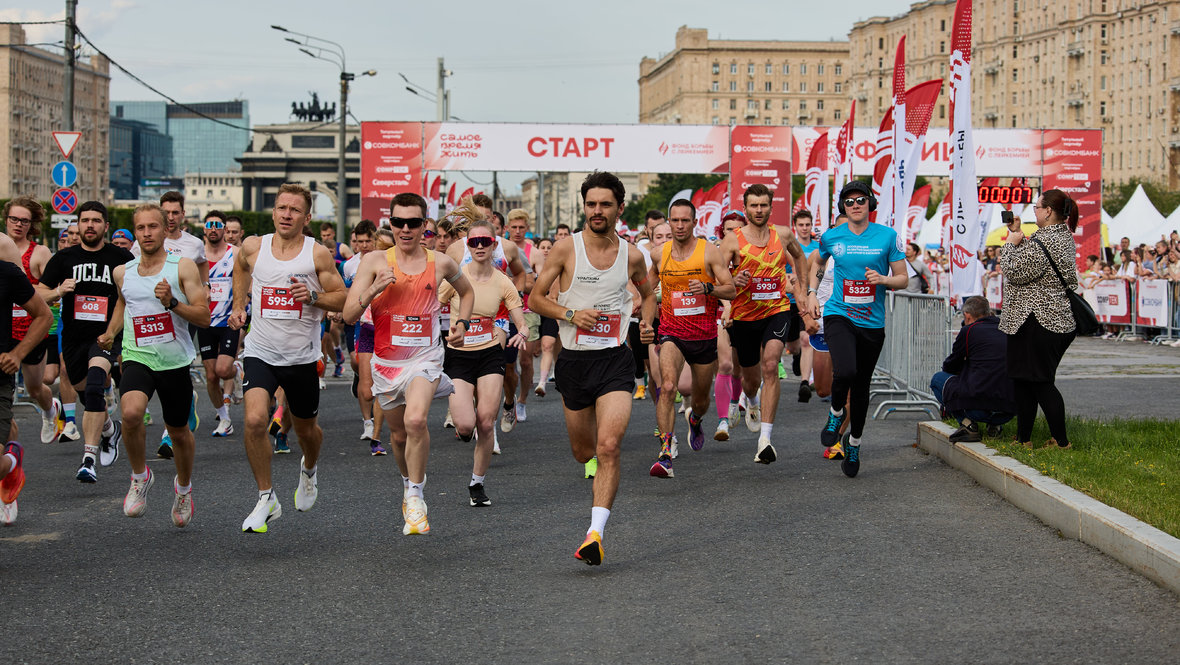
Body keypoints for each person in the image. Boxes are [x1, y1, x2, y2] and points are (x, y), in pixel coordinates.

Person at [528, 171, 655, 566]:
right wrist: (570, 312)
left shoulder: (633, 254)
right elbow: (534, 298)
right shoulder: (567, 249)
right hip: (575, 363)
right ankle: (595, 465)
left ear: (619, 207)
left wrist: (647, 321)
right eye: (591, 204)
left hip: (615, 360)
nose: (596, 211)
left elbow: (649, 294)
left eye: (604, 204)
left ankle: (594, 534)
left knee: (610, 446)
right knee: (584, 451)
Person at [343, 192, 473, 535]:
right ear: (390, 223)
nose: (405, 229)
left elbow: (467, 292)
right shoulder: (373, 262)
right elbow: (348, 314)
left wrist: (462, 324)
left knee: (416, 420)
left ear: (424, 225)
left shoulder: (440, 262)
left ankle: (416, 494)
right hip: (387, 363)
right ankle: (407, 482)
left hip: (425, 358)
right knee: (398, 435)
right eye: (398, 222)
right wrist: (372, 290)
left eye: (413, 223)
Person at [229, 184, 347, 533]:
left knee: (307, 431)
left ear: (306, 217)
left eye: (294, 210)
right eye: (281, 208)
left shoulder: (317, 255)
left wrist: (313, 296)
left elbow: (342, 298)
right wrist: (239, 304)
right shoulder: (254, 246)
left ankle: (308, 469)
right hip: (260, 351)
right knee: (254, 421)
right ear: (274, 211)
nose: (286, 214)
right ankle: (266, 497)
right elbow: (240, 267)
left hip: (300, 358)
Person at [99, 204, 209, 527]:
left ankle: (184, 488)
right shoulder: (124, 271)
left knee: (178, 432)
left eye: (153, 227)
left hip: (174, 360)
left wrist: (173, 303)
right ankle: (139, 476)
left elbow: (203, 315)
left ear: (165, 230)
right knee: (131, 413)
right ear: (135, 232)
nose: (147, 233)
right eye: (141, 228)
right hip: (137, 355)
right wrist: (110, 332)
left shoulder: (182, 267)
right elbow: (124, 301)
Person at [807, 181, 907, 478]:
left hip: (872, 322)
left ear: (870, 203)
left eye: (860, 200)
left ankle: (854, 442)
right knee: (846, 372)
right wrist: (812, 292)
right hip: (839, 314)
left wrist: (883, 280)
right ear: (843, 207)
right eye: (849, 202)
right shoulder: (832, 237)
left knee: (861, 388)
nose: (855, 205)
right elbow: (818, 262)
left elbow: (903, 278)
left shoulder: (887, 236)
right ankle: (836, 414)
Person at [36, 201, 134, 483]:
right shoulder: (64, 258)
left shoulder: (121, 258)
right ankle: (108, 430)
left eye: (96, 220)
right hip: (73, 337)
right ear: (78, 225)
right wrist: (57, 291)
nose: (90, 225)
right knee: (85, 392)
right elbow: (38, 294)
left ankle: (88, 459)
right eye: (85, 220)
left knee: (94, 383)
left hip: (106, 335)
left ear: (106, 225)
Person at [720, 183, 815, 464]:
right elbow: (716, 277)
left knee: (772, 364)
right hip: (745, 316)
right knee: (751, 381)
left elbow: (800, 257)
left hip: (777, 309)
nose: (759, 210)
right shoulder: (732, 241)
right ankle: (751, 401)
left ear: (771, 207)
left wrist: (804, 291)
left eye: (764, 205)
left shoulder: (783, 234)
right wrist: (731, 286)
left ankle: (765, 440)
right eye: (753, 205)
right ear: (746, 207)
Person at [438, 217, 527, 506]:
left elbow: (520, 319)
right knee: (465, 426)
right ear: (467, 244)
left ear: (493, 245)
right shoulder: (455, 277)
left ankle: (477, 484)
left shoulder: (504, 281)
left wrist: (522, 332)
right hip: (459, 356)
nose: (478, 246)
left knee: (486, 423)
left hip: (490, 352)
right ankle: (467, 431)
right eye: (473, 241)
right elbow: (430, 306)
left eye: (484, 242)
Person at [647, 199, 735, 478]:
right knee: (668, 386)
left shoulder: (708, 252)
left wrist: (708, 288)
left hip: (704, 335)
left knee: (700, 401)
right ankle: (664, 451)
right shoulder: (659, 253)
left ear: (694, 222)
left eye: (686, 220)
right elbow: (647, 285)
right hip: (672, 332)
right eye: (675, 220)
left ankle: (695, 419)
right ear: (669, 222)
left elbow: (731, 290)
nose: (680, 225)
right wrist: (638, 304)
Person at [999, 189, 1079, 450]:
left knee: (1041, 382)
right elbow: (1034, 265)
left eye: (1036, 207)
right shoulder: (1057, 236)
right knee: (1025, 381)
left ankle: (1061, 442)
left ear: (1048, 211)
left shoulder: (1048, 239)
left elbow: (1015, 271)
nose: (1033, 211)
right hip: (1040, 319)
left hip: (1039, 319)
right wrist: (1019, 235)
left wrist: (1010, 243)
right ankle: (1024, 439)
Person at [140, 192, 207, 459]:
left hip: (181, 315)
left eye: (175, 212)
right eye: (165, 212)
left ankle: (170, 432)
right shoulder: (145, 240)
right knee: (158, 372)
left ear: (182, 215)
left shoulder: (194, 244)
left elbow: (202, 266)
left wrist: (205, 288)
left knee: (178, 365)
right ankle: (186, 400)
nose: (170, 217)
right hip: (151, 317)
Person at [0, 242, 53, 524]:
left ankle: (11, 462)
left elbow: (43, 315)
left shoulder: (6, 271)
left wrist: (17, 354)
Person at [4, 197, 64, 444]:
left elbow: (51, 295)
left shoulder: (39, 253)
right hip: (4, 329)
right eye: (14, 219)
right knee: (4, 395)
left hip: (31, 330)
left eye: (24, 221)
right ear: (5, 219)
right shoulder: (0, 246)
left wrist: (26, 291)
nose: (18, 225)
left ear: (32, 224)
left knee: (34, 388)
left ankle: (52, 411)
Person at [929, 296, 1016, 442]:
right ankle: (995, 426)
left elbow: (950, 366)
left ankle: (968, 425)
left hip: (978, 408)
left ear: (967, 316)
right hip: (1008, 408)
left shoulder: (969, 331)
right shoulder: (1008, 329)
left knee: (938, 379)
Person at [198, 210, 241, 437]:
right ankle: (224, 418)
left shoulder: (235, 254)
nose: (213, 229)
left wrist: (242, 308)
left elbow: (248, 281)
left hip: (228, 320)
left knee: (223, 370)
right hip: (204, 321)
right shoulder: (198, 256)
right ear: (204, 229)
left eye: (218, 225)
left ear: (224, 229)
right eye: (209, 225)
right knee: (211, 375)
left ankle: (237, 369)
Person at [785, 209, 820, 403]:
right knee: (793, 344)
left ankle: (805, 382)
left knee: (806, 338)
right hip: (789, 300)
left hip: (807, 300)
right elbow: (783, 272)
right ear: (795, 227)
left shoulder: (817, 248)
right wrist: (791, 278)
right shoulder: (790, 247)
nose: (805, 228)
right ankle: (796, 355)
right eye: (801, 225)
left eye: (808, 225)